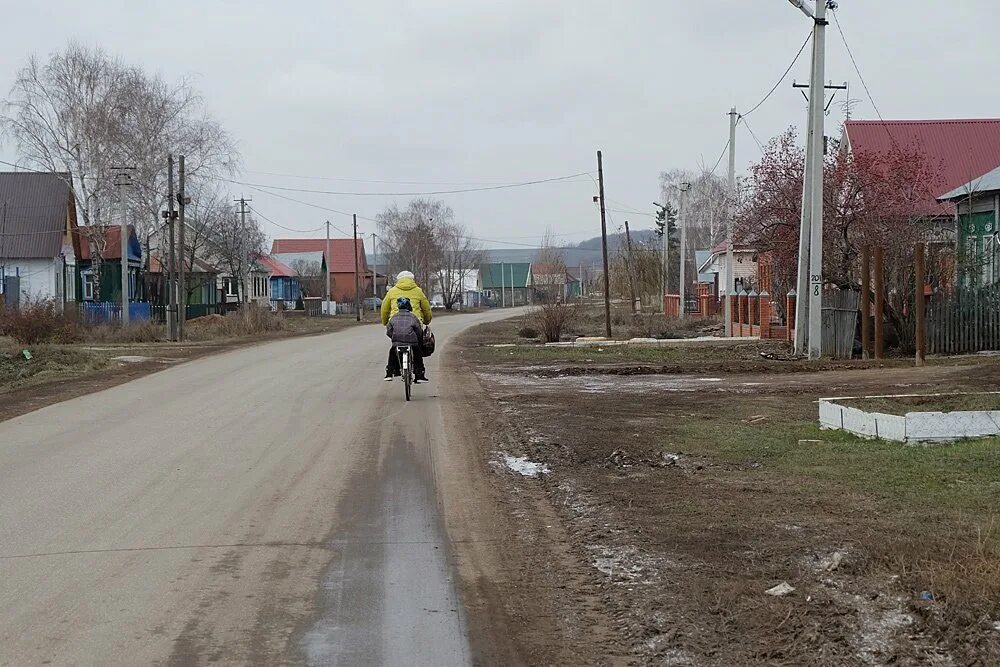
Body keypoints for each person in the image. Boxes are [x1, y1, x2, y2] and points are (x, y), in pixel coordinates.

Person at [381, 270, 432, 381]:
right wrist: (427, 321)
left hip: (395, 323)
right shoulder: (418, 291)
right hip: (414, 323)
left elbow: (384, 309)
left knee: (395, 347)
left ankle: (394, 370)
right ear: (412, 280)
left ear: (398, 280)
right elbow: (426, 308)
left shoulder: (392, 291)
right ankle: (419, 373)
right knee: (417, 348)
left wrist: (385, 322)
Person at [385, 297, 427, 383]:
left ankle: (389, 373)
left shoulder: (394, 317)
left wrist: (394, 337)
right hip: (412, 343)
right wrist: (417, 339)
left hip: (397, 342)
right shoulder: (413, 317)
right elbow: (419, 331)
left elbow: (389, 331)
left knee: (392, 353)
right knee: (417, 355)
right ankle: (419, 375)